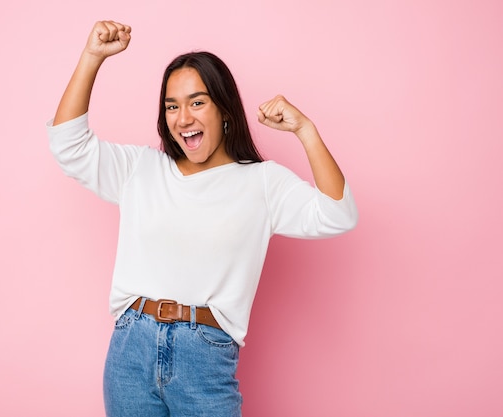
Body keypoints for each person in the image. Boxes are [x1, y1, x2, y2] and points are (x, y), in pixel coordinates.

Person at [47, 20, 358, 417]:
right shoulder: (141, 169)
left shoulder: (261, 183)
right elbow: (67, 145)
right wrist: (92, 57)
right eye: (172, 106)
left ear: (224, 111)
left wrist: (306, 130)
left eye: (197, 102)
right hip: (130, 350)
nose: (182, 118)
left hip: (205, 359)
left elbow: (338, 214)